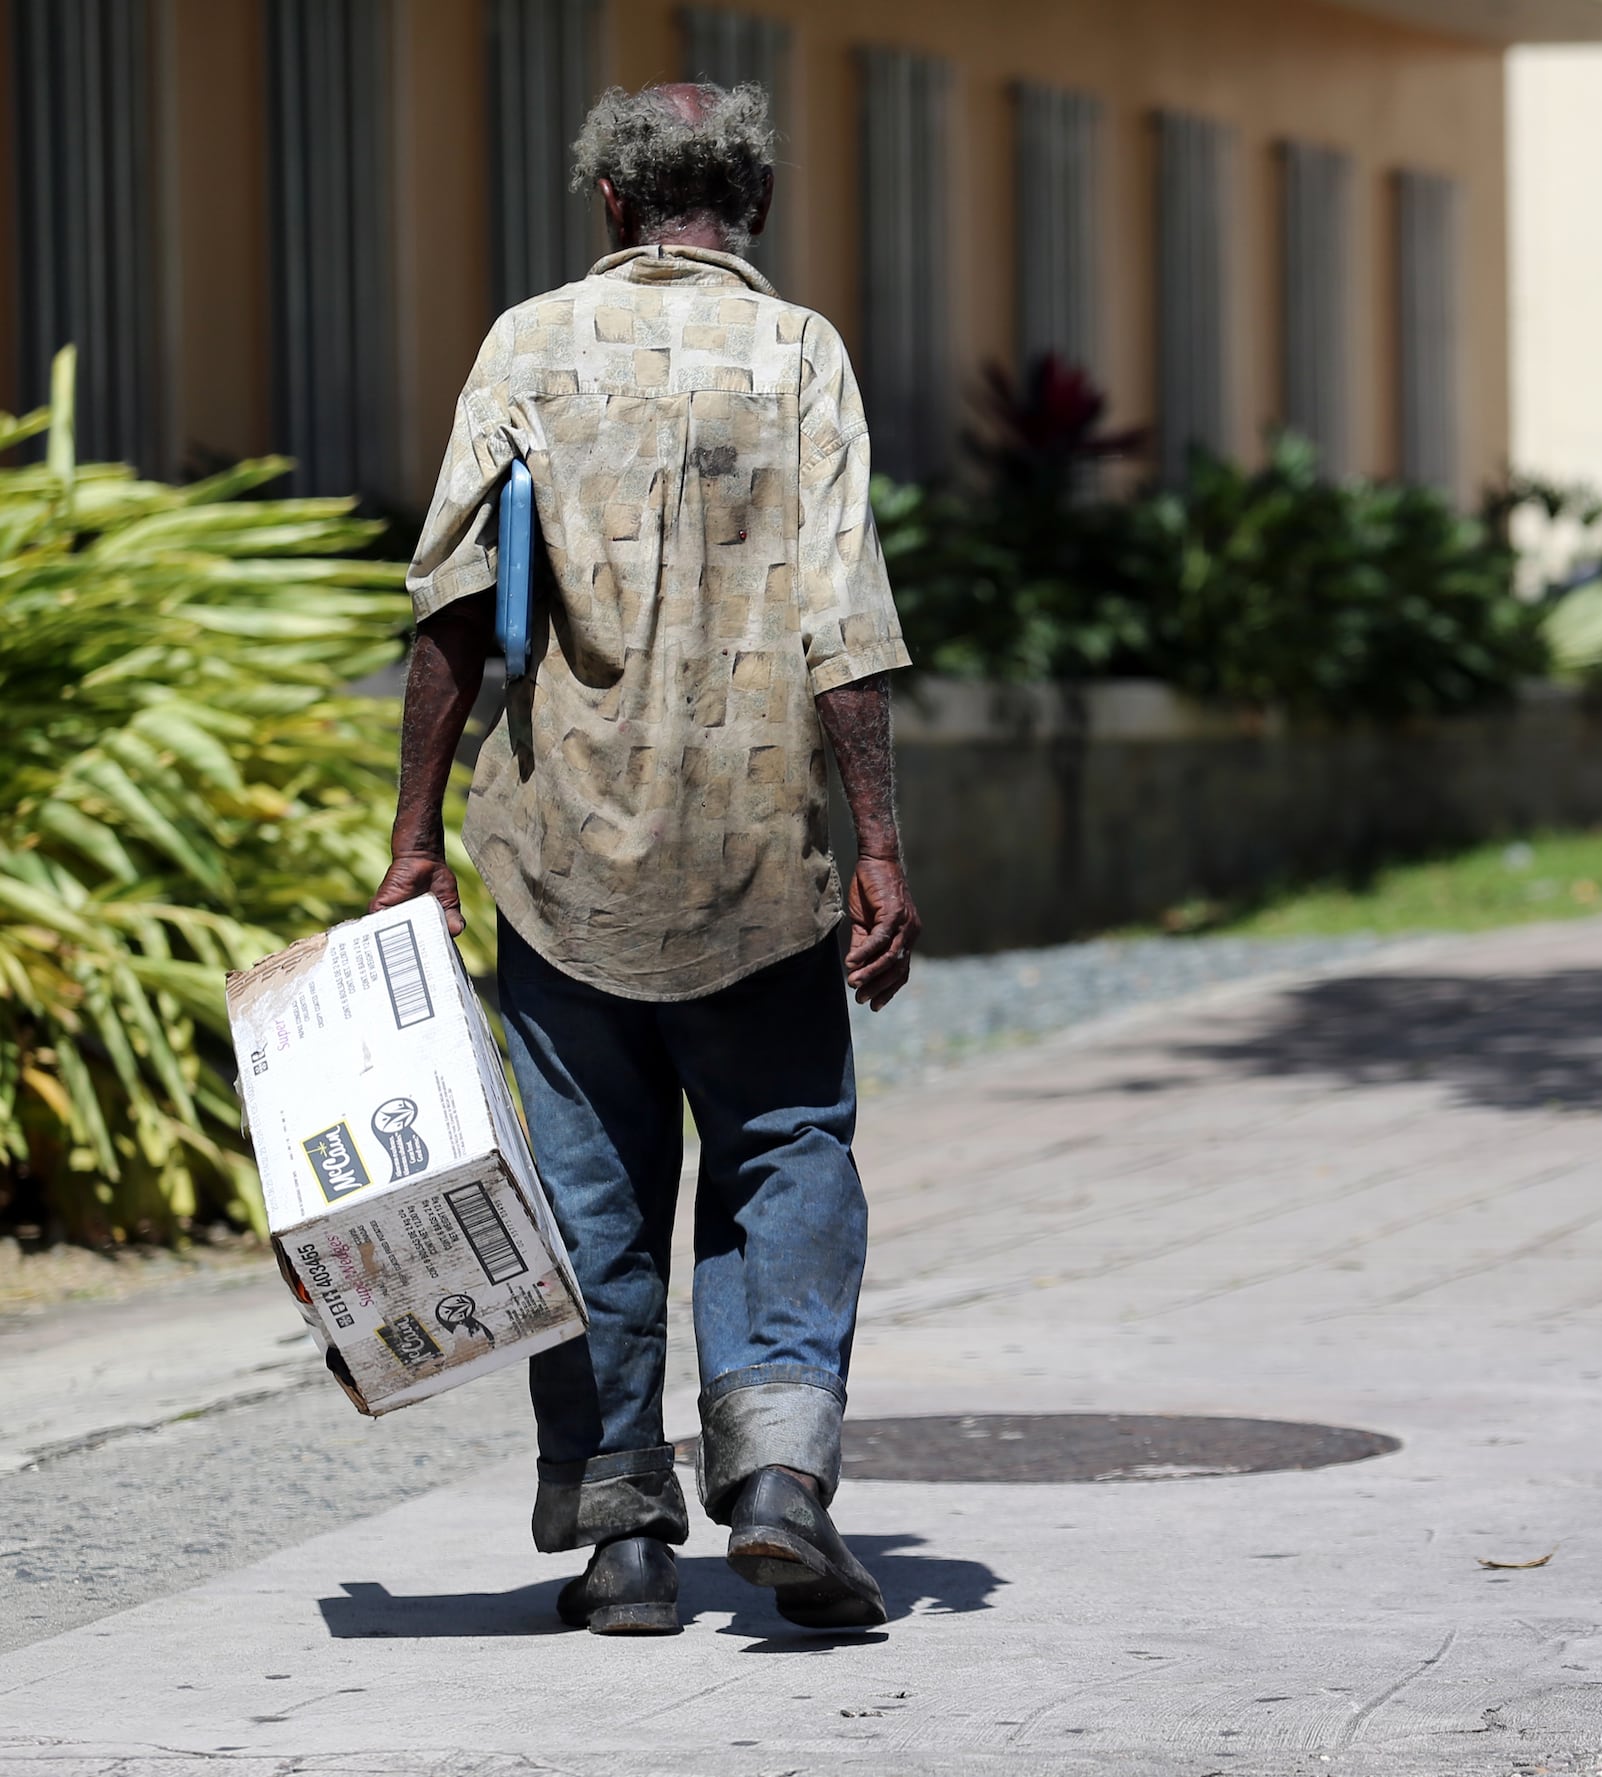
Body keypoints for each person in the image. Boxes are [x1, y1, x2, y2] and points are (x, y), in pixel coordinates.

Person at [372, 81, 920, 1636]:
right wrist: (878, 841)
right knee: (786, 1149)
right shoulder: (797, 353)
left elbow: (455, 602)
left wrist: (413, 832)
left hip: (562, 856)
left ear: (610, 205)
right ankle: (779, 1487)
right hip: (759, 863)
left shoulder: (528, 346)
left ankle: (621, 1543)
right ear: (747, 204)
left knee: (586, 1190)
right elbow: (844, 614)